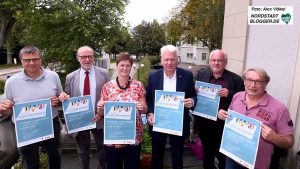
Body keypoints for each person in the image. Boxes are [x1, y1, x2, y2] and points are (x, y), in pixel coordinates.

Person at [218, 67, 294, 169]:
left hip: (257, 164)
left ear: (265, 84)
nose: (253, 85)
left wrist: (274, 137)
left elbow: (289, 142)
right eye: (249, 80)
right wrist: (223, 116)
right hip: (232, 156)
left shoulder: (279, 108)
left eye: (258, 81)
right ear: (244, 81)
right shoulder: (237, 96)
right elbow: (230, 117)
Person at [0, 46, 62, 169]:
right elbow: (7, 111)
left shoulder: (53, 76)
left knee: (55, 156)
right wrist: (4, 108)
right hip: (25, 127)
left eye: (35, 59)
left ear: (41, 59)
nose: (32, 63)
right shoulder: (12, 82)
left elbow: (60, 98)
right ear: (21, 61)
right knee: (30, 162)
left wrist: (59, 99)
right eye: (27, 60)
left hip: (51, 123)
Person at [146, 45, 197, 169]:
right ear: (162, 60)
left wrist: (192, 101)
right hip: (158, 122)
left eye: (172, 59)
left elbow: (193, 95)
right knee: (157, 156)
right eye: (166, 59)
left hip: (178, 123)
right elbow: (149, 98)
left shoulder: (187, 75)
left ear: (177, 59)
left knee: (177, 156)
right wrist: (150, 113)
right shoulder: (153, 76)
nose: (169, 62)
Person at [59, 46, 110, 169]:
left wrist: (101, 113)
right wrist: (63, 96)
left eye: (90, 56)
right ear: (78, 58)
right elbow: (68, 97)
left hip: (100, 118)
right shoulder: (70, 77)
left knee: (103, 149)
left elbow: (109, 95)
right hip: (80, 121)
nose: (87, 59)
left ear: (93, 57)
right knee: (83, 151)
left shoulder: (104, 74)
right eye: (83, 57)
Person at [193, 49, 244, 169]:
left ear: (225, 62)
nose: (216, 63)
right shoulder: (201, 74)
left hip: (225, 123)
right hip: (205, 121)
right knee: (207, 152)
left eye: (220, 60)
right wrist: (193, 90)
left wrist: (230, 93)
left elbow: (244, 98)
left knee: (223, 153)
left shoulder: (236, 79)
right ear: (209, 61)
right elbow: (192, 94)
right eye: (214, 60)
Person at [97, 53, 147, 169]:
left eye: (128, 65)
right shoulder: (107, 87)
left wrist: (142, 107)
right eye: (122, 65)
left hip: (133, 136)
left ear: (131, 67)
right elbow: (101, 113)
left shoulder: (138, 86)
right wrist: (100, 107)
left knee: (132, 166)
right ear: (116, 66)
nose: (125, 68)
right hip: (114, 136)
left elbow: (145, 109)